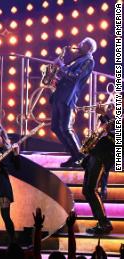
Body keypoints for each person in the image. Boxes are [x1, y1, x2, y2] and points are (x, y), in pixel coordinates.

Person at [50, 37, 97, 168]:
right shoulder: (80, 59)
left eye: (82, 44)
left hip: (67, 97)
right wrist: (57, 80)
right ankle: (74, 155)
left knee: (66, 128)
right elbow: (69, 77)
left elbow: (75, 77)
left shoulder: (89, 61)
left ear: (88, 47)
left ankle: (79, 155)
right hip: (60, 95)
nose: (79, 45)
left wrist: (61, 66)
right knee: (55, 127)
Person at [81, 103, 114, 235]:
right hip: (96, 153)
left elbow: (116, 135)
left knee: (91, 189)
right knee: (86, 190)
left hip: (103, 156)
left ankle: (104, 223)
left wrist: (103, 116)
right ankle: (101, 222)